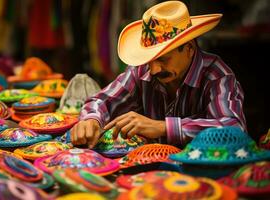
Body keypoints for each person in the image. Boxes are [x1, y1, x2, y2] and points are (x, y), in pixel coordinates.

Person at [70, 1, 247, 148]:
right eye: (149, 59)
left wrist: (164, 128)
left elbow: (233, 129)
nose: (154, 70)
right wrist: (91, 120)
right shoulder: (142, 70)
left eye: (163, 59)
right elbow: (101, 101)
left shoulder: (217, 76)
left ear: (189, 49)